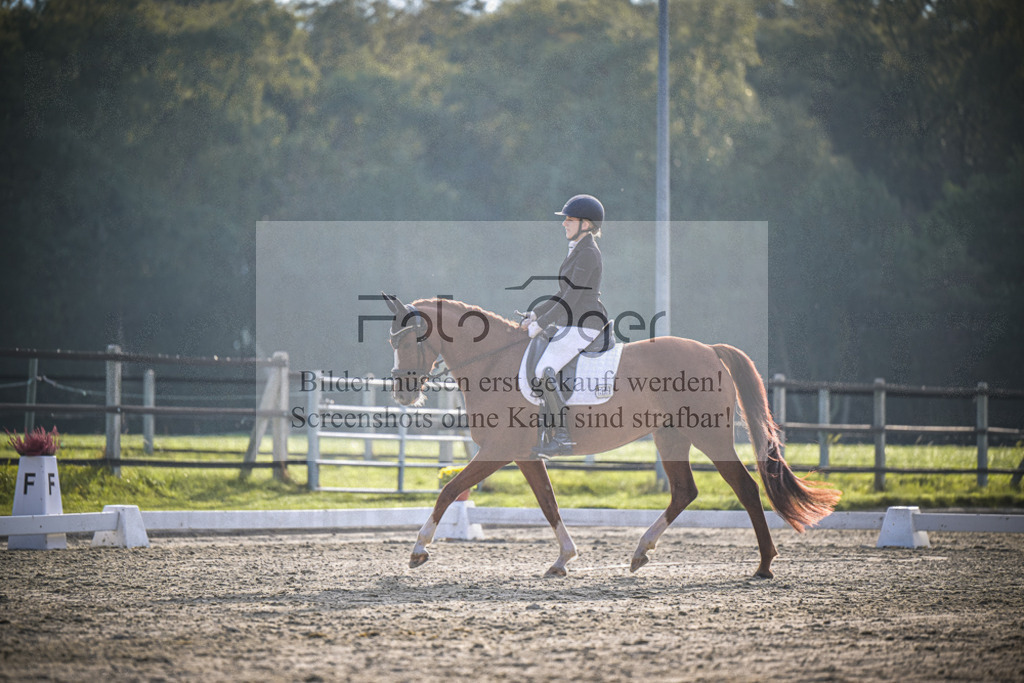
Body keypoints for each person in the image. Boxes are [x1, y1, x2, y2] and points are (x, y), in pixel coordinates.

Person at [519, 194, 609, 457]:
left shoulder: (589, 253)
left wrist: (543, 323)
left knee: (545, 369)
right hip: (573, 322)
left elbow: (572, 297)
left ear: (586, 224)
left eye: (569, 219)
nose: (564, 224)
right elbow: (562, 294)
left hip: (586, 324)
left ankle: (562, 436)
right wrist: (536, 314)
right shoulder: (579, 250)